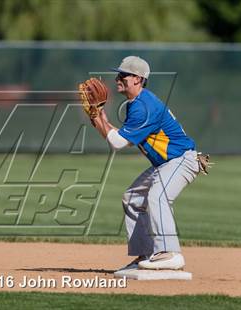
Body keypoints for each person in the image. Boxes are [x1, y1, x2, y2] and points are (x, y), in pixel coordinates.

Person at [84, 56, 202, 271]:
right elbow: (121, 138)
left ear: (138, 79)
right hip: (166, 164)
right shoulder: (135, 104)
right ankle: (146, 254)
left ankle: (170, 253)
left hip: (181, 159)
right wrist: (97, 116)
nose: (118, 78)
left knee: (158, 195)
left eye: (124, 75)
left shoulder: (145, 107)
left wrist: (98, 116)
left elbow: (118, 142)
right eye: (119, 73)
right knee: (132, 199)